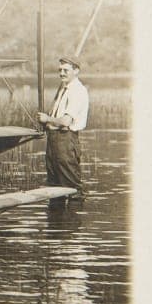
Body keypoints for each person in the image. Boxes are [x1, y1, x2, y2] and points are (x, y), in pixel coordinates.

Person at [37, 56, 89, 200]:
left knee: (72, 189)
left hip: (66, 140)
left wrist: (47, 119)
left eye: (66, 70)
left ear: (76, 71)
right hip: (54, 140)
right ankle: (55, 222)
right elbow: (57, 117)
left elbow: (66, 121)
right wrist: (47, 122)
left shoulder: (78, 91)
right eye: (60, 70)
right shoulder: (64, 88)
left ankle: (73, 219)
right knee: (54, 187)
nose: (61, 73)